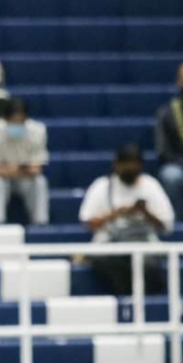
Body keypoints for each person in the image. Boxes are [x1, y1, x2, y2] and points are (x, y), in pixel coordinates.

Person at [79, 144, 174, 295]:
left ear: (140, 166)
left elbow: (167, 225)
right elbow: (88, 222)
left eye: (134, 165)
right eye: (126, 165)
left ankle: (149, 305)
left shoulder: (150, 185)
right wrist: (115, 213)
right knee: (105, 259)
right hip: (110, 242)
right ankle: (125, 297)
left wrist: (145, 213)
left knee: (148, 264)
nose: (130, 169)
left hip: (144, 242)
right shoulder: (102, 186)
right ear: (116, 165)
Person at [0, 99, 49, 225]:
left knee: (39, 182)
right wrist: (22, 169)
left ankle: (40, 223)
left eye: (21, 121)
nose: (17, 125)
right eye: (14, 121)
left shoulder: (38, 132)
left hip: (22, 177)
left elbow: (37, 169)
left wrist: (12, 170)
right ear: (5, 119)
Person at [154, 63, 183, 219]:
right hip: (178, 165)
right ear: (178, 82)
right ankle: (177, 223)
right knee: (170, 176)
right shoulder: (166, 113)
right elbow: (163, 150)